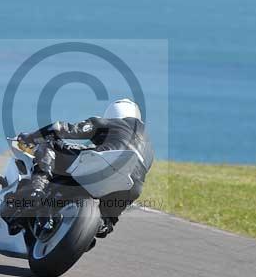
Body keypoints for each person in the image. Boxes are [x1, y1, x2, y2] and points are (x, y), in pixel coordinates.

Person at [17, 98, 154, 237]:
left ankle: (36, 190)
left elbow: (60, 129)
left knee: (49, 144)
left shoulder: (107, 122)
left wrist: (32, 137)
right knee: (104, 224)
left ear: (112, 113)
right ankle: (102, 224)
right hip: (132, 186)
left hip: (102, 164)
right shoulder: (149, 147)